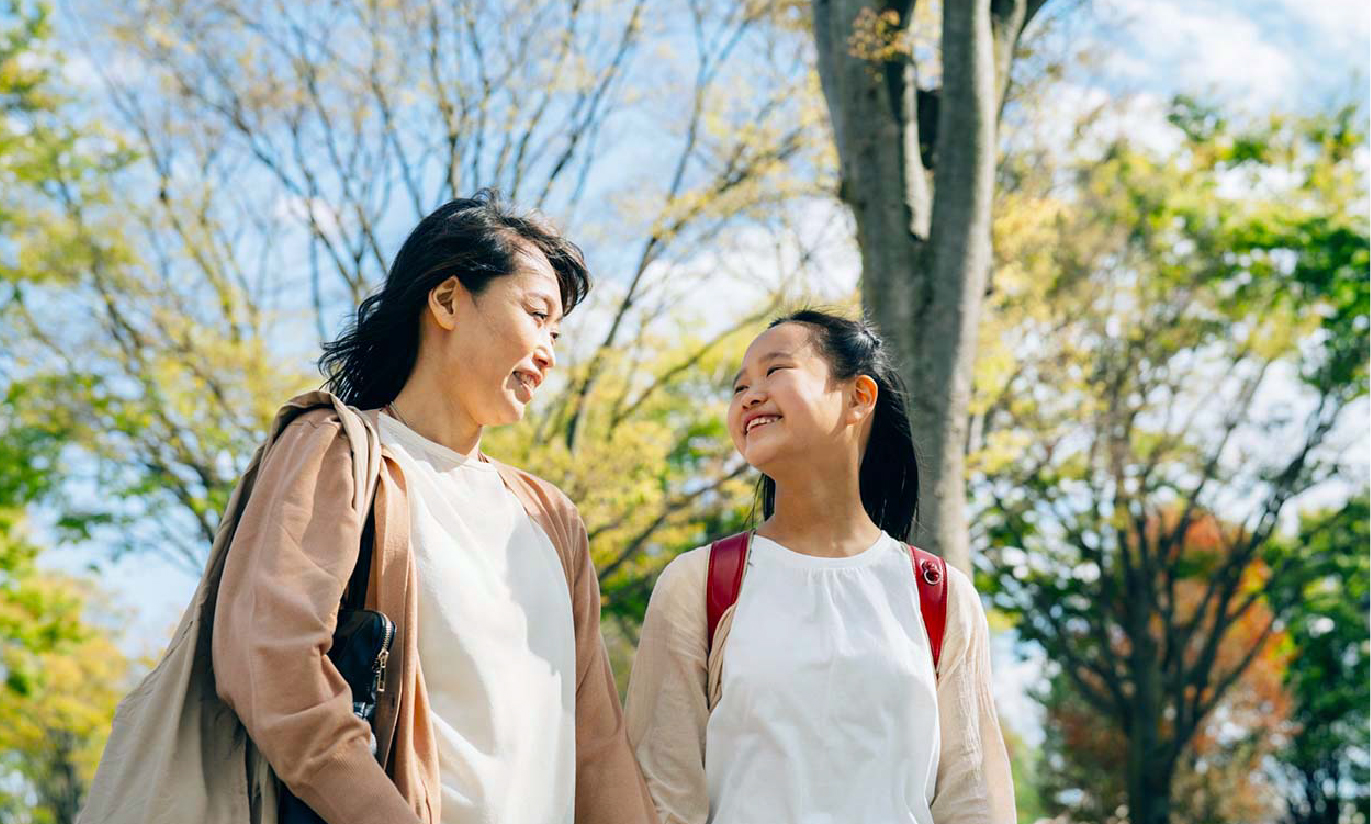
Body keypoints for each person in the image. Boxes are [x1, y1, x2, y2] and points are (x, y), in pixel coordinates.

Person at [78, 191, 658, 824]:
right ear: (446, 300)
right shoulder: (336, 451)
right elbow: (274, 668)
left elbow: (598, 748)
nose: (548, 350)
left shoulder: (551, 519)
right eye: (535, 313)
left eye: (557, 331)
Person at [624, 308, 1015, 824]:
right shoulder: (700, 583)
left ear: (859, 397)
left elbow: (972, 798)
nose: (750, 395)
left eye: (775, 370)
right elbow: (662, 794)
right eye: (739, 387)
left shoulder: (940, 595)